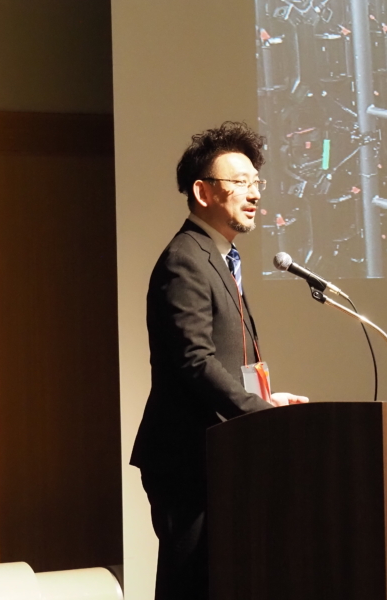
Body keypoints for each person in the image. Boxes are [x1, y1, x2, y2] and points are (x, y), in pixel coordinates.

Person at [130, 121, 309, 600]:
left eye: (256, 182)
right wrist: (260, 415)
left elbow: (227, 357)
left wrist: (266, 398)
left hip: (219, 454)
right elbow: (195, 361)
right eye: (240, 182)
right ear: (203, 191)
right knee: (190, 585)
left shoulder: (219, 256)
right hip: (188, 458)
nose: (254, 194)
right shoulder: (185, 259)